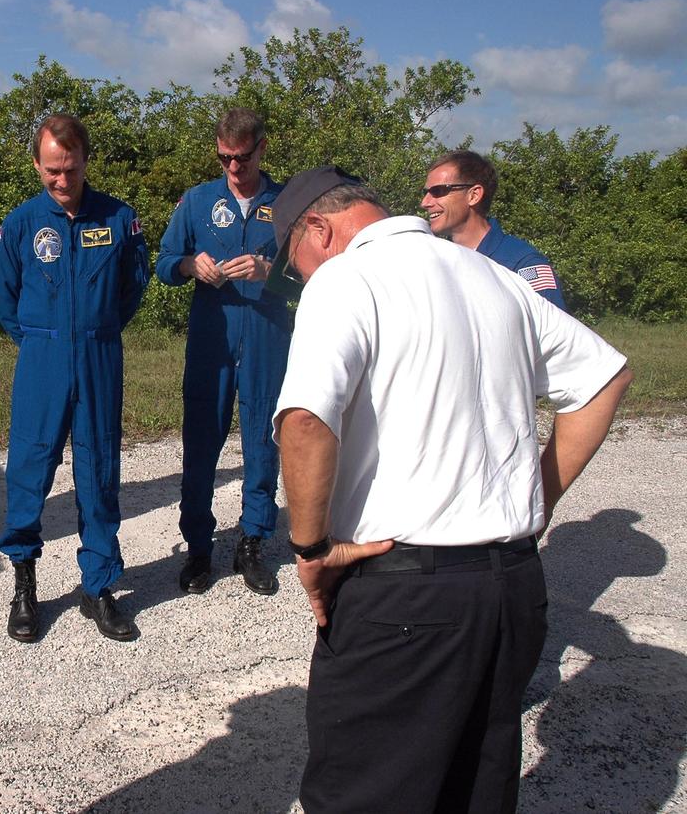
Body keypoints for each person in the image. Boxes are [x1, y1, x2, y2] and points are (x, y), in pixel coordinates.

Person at [268, 166, 632, 813]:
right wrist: (536, 502)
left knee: (363, 794)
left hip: (404, 596)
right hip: (512, 588)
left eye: (294, 264)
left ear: (319, 229)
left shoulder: (346, 278)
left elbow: (304, 419)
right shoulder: (494, 276)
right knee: (475, 789)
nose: (300, 279)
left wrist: (312, 547)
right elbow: (604, 379)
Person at [0, 113, 150, 642]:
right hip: (42, 356)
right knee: (30, 470)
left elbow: (131, 287)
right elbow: (5, 299)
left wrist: (95, 330)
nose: (62, 181)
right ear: (37, 164)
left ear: (85, 161)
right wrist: (44, 339)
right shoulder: (19, 224)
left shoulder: (120, 219)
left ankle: (98, 585)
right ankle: (24, 582)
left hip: (101, 353)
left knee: (100, 470)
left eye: (72, 169)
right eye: (52, 171)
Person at [154, 107, 290, 596]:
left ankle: (252, 539)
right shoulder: (197, 200)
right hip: (212, 339)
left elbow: (316, 271)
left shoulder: (289, 202)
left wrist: (268, 270)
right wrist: (192, 265)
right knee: (202, 441)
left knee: (262, 438)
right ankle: (198, 546)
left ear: (262, 149)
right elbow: (164, 263)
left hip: (267, 336)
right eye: (225, 157)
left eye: (242, 158)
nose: (233, 168)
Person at [422, 149, 567, 310]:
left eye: (438, 191)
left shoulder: (522, 265)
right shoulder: (436, 264)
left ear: (474, 195)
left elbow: (554, 333)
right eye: (426, 192)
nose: (425, 202)